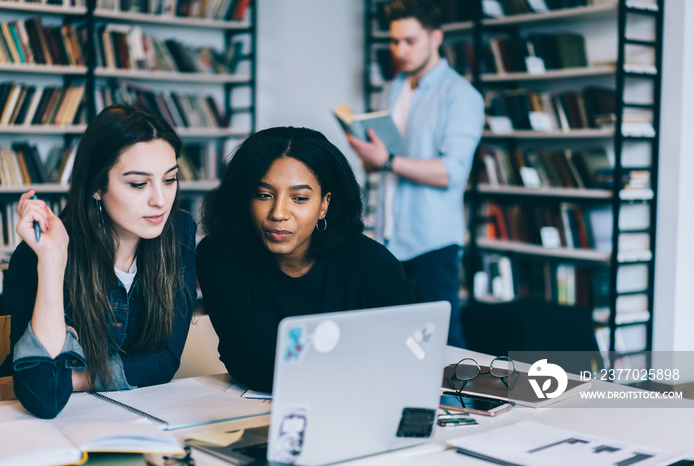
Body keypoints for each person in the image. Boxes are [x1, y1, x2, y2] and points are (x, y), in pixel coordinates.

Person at [6, 103, 197, 419]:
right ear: (96, 186)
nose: (160, 200)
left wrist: (76, 377)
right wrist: (53, 262)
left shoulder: (179, 233)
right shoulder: (39, 253)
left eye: (170, 179)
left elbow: (164, 361)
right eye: (138, 183)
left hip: (132, 419)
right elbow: (46, 396)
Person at [196, 126, 416, 392]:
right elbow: (248, 358)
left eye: (299, 198)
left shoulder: (373, 264)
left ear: (325, 204)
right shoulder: (220, 255)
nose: (278, 213)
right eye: (264, 195)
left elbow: (404, 353)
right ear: (246, 198)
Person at [346, 0, 484, 348]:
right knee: (398, 340)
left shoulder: (461, 95)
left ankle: (466, 404)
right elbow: (383, 162)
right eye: (394, 42)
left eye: (410, 41)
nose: (400, 50)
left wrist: (388, 159)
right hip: (390, 238)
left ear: (435, 37)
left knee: (444, 343)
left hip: (432, 242)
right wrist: (369, 155)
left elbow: (451, 172)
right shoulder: (393, 88)